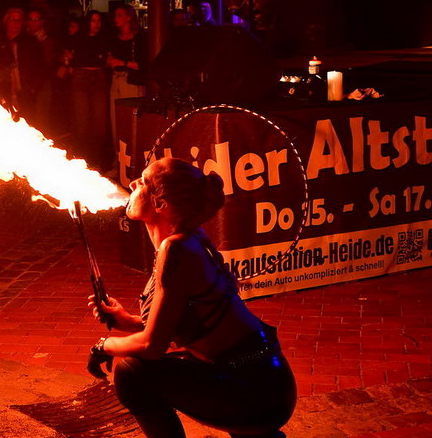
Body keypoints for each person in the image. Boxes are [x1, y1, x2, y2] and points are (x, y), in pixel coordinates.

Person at [87, 157, 296, 438]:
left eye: (144, 181)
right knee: (140, 364)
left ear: (162, 204)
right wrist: (125, 320)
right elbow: (180, 323)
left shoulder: (177, 249)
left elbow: (151, 346)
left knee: (132, 371)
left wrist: (103, 345)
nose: (133, 183)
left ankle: (253, 430)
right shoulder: (186, 240)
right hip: (262, 381)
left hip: (255, 389)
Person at [70, 11, 110, 169]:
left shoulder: (104, 38)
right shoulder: (78, 37)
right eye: (93, 20)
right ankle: (85, 158)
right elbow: (69, 56)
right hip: (81, 76)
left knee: (100, 122)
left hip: (98, 76)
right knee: (82, 121)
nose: (96, 24)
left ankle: (96, 158)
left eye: (99, 21)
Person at [106, 3, 147, 157]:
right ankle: (119, 160)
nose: (116, 19)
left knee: (132, 122)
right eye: (115, 16)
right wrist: (110, 61)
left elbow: (143, 64)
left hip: (131, 81)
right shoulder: (114, 38)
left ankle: (134, 159)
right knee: (116, 121)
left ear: (129, 17)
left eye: (120, 15)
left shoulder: (139, 38)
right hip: (116, 79)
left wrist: (122, 63)